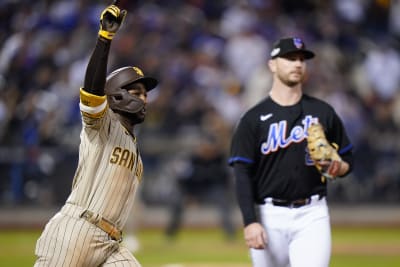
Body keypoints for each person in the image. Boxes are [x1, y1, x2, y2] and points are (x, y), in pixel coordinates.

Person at [34, 4, 158, 267]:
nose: (144, 98)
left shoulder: (133, 147)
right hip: (76, 231)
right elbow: (91, 93)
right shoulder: (102, 125)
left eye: (145, 94)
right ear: (115, 95)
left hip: (110, 242)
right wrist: (105, 38)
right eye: (136, 93)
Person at [228, 37, 354, 267]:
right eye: (289, 58)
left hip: (312, 214)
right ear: (272, 65)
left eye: (301, 59)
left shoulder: (322, 111)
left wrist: (339, 167)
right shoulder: (253, 119)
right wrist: (250, 221)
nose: (297, 64)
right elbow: (242, 173)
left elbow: (348, 158)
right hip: (268, 215)